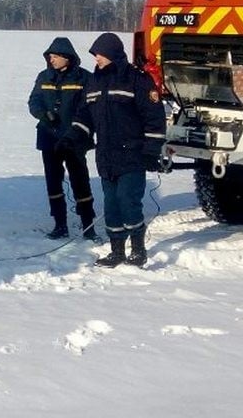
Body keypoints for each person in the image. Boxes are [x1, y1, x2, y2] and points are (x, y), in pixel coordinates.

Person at [58, 32, 166, 268]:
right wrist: (72, 138)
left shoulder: (137, 80)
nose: (96, 58)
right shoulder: (93, 83)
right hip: (106, 157)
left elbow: (154, 118)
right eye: (95, 54)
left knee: (129, 201)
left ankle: (138, 249)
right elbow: (84, 116)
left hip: (132, 154)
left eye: (100, 53)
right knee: (111, 205)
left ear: (113, 54)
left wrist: (151, 150)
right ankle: (117, 250)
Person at [27, 37, 96, 240]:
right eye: (50, 56)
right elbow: (34, 101)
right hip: (49, 139)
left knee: (80, 182)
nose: (52, 59)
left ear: (68, 57)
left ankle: (88, 225)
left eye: (56, 56)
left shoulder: (84, 78)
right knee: (53, 183)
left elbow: (89, 108)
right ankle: (60, 224)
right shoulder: (44, 77)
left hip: (75, 140)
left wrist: (77, 131)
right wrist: (43, 115)